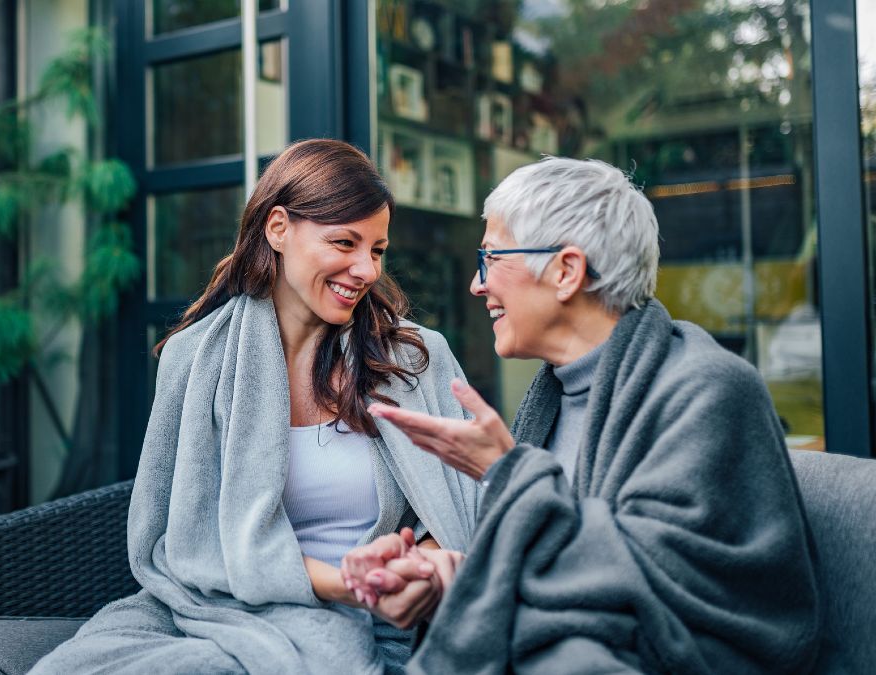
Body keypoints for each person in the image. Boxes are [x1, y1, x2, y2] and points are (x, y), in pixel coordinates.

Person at [344, 157, 821, 674]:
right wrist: (444, 575)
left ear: (566, 271)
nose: (477, 286)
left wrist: (507, 473)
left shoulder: (708, 389)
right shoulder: (554, 394)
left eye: (491, 259)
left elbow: (654, 587)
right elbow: (563, 564)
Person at [29, 139, 481, 675]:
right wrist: (349, 584)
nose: (365, 269)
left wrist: (418, 567)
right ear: (278, 228)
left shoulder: (413, 360)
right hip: (223, 608)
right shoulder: (195, 359)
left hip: (388, 622)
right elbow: (184, 541)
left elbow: (463, 499)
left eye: (377, 250)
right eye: (344, 242)